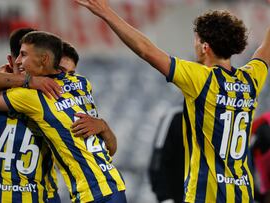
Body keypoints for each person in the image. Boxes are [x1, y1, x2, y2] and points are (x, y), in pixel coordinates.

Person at [76, 0, 270, 202]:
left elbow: (146, 50)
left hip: (205, 195)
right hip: (242, 195)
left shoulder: (201, 78)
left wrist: (106, 12)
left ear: (205, 47)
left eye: (195, 40)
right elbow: (266, 49)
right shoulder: (251, 79)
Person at [0, 31, 126, 203]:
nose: (63, 77)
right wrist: (25, 80)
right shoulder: (82, 84)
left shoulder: (38, 96)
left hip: (53, 196)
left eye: (67, 73)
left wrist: (103, 126)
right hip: (106, 187)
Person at [0, 28, 61, 203]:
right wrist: (26, 81)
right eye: (20, 63)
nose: (26, 70)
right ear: (11, 61)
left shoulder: (50, 93)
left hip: (38, 195)